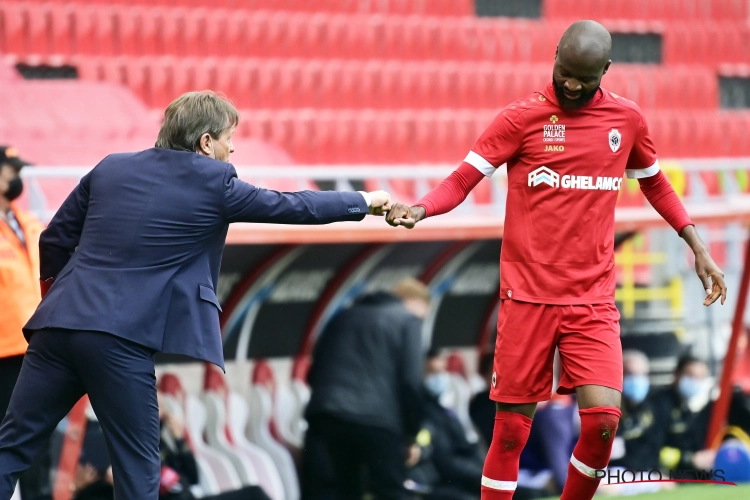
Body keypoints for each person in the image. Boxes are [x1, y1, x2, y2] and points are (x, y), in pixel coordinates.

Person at [386, 20, 726, 500]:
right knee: (510, 433)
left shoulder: (626, 120)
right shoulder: (520, 118)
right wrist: (421, 208)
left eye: (583, 78)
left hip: (592, 299)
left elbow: (655, 182)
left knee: (604, 421)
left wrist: (697, 245)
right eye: (564, 71)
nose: (569, 84)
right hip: (527, 298)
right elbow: (463, 179)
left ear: (605, 70)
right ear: (554, 58)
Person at [0, 91, 392, 500]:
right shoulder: (214, 181)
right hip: (120, 339)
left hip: (56, 325)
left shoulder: (111, 168)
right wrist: (364, 202)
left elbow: (54, 239)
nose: (233, 147)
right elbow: (292, 206)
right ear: (206, 142)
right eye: (228, 137)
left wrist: (61, 298)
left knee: (11, 446)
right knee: (138, 466)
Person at [301, 278, 429, 499]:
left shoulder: (342, 316)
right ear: (411, 302)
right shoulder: (407, 321)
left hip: (328, 417)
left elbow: (314, 373)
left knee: (342, 490)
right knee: (390, 491)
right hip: (379, 422)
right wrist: (411, 436)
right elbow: (411, 382)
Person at [407, 348, 484, 500]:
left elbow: (466, 446)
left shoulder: (445, 412)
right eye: (432, 372)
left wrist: (484, 471)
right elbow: (445, 460)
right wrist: (480, 475)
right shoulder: (420, 414)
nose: (440, 378)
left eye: (442, 371)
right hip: (436, 484)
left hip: (461, 478)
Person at [0, 146, 43, 419]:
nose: (18, 179)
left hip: (36, 345)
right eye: (12, 172)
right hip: (4, 351)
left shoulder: (28, 222)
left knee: (36, 430)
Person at [652, 355, 715, 471]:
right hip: (661, 473)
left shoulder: (688, 408)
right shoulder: (659, 404)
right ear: (676, 375)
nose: (695, 382)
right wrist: (689, 459)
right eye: (690, 376)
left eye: (700, 378)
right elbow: (652, 448)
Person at [609, 350, 662, 472]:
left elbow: (654, 448)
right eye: (630, 374)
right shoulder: (606, 407)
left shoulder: (654, 405)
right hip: (612, 472)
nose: (637, 380)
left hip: (643, 471)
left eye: (641, 374)